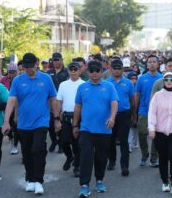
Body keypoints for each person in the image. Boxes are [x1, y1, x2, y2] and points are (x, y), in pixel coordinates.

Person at [2, 53, 61, 195]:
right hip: (23, 123)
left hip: (41, 121)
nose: (28, 69)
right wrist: (6, 122)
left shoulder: (46, 79)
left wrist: (56, 119)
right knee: (27, 153)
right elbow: (11, 101)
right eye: (25, 67)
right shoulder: (17, 80)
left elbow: (53, 99)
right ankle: (30, 179)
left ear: (37, 64)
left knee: (37, 149)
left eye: (31, 66)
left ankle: (39, 181)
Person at [73, 60, 118, 197]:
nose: (94, 73)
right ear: (88, 72)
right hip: (86, 129)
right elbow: (78, 107)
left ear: (101, 71)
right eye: (91, 71)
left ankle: (99, 180)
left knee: (101, 158)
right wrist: (75, 125)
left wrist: (112, 118)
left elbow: (114, 103)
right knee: (86, 156)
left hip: (104, 129)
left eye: (97, 71)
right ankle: (84, 185)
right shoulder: (82, 87)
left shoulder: (109, 86)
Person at [106, 59, 135, 176]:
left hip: (124, 114)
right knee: (110, 140)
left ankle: (125, 166)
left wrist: (134, 115)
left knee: (124, 141)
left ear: (122, 69)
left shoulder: (128, 83)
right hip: (111, 115)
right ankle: (112, 161)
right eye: (115, 68)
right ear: (111, 69)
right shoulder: (107, 83)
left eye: (119, 68)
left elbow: (132, 100)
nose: (117, 70)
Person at [56, 62, 85, 177]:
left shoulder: (84, 84)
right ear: (68, 71)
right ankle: (69, 157)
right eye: (71, 69)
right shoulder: (63, 84)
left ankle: (77, 166)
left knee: (77, 143)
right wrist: (57, 116)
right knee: (63, 141)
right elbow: (59, 101)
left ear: (79, 71)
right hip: (66, 117)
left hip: (79, 117)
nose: (73, 71)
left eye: (75, 69)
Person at [133, 55, 163, 167]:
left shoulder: (162, 78)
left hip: (158, 112)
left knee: (156, 135)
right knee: (142, 133)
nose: (152, 64)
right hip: (144, 111)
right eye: (149, 62)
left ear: (158, 64)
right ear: (147, 64)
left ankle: (154, 158)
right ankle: (144, 154)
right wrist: (134, 112)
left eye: (154, 62)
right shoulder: (141, 78)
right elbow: (137, 95)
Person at [47, 52, 69, 153]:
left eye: (58, 59)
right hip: (51, 101)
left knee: (61, 123)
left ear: (61, 60)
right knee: (51, 124)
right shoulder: (48, 73)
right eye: (54, 60)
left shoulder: (67, 72)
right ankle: (54, 141)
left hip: (63, 101)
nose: (56, 62)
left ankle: (60, 144)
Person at [0, 62, 19, 155]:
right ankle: (11, 139)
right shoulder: (3, 80)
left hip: (18, 107)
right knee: (8, 128)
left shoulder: (19, 79)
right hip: (7, 107)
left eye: (13, 71)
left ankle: (15, 145)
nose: (11, 74)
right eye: (10, 71)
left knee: (16, 127)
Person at [127, 72, 139, 152]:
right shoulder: (127, 87)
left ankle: (135, 142)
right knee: (130, 128)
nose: (134, 81)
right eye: (132, 79)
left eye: (135, 79)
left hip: (138, 109)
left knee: (136, 127)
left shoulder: (138, 87)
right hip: (129, 109)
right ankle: (129, 145)